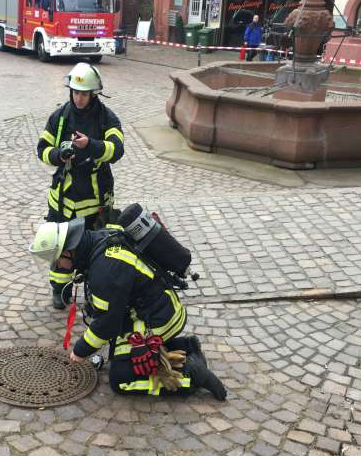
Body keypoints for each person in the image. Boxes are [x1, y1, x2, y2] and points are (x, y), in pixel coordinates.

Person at [29, 218, 227, 399]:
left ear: (68, 251)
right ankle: (186, 347)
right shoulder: (100, 238)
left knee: (121, 378)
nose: (59, 267)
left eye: (57, 261)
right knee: (119, 352)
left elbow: (108, 323)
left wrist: (81, 350)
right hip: (154, 306)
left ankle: (191, 376)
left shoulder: (104, 271)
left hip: (158, 319)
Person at [36, 62, 124, 309]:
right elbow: (42, 149)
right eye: (75, 92)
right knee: (60, 246)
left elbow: (117, 150)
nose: (79, 98)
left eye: (83, 93)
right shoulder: (60, 117)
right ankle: (59, 290)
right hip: (63, 198)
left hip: (94, 200)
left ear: (93, 93)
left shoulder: (107, 118)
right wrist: (57, 155)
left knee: (97, 250)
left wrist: (91, 146)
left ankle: (95, 296)